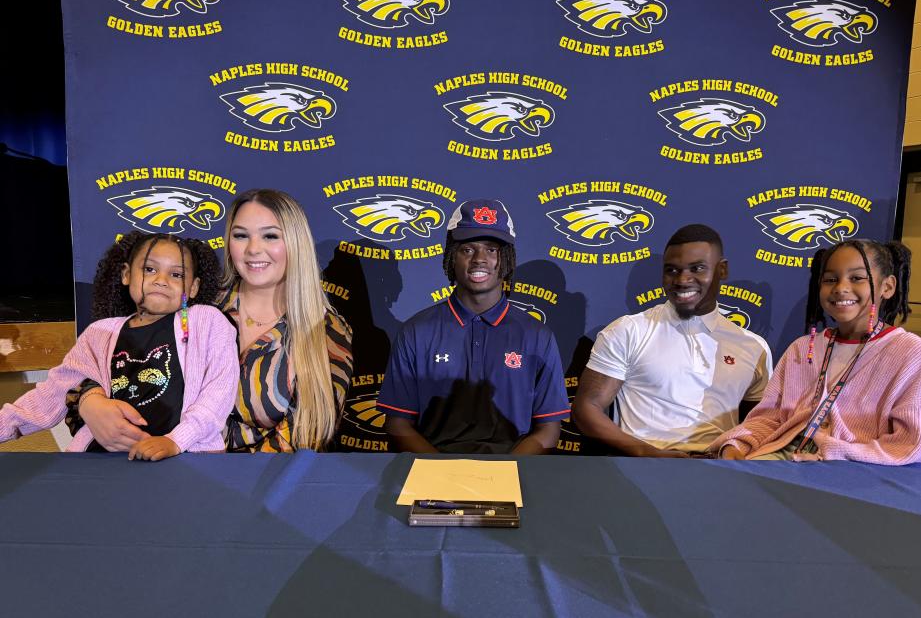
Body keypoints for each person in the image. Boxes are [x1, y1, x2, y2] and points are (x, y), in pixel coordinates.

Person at [74, 189, 353, 452]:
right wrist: (90, 403)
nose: (253, 249)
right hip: (157, 469)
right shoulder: (194, 301)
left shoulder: (326, 332)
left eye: (270, 236)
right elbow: (96, 364)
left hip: (255, 486)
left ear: (295, 243)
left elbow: (306, 438)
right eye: (241, 235)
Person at [1, 232, 238, 460]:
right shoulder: (99, 333)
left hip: (183, 460)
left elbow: (219, 392)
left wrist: (176, 440)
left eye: (176, 275)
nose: (161, 280)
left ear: (194, 287)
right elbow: (52, 394)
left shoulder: (206, 321)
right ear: (126, 274)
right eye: (149, 269)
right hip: (103, 462)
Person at [711, 240, 921, 463]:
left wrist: (833, 454)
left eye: (857, 278)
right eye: (831, 279)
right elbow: (769, 418)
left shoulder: (914, 355)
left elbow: (909, 446)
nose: (841, 288)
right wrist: (737, 444)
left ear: (887, 286)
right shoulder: (803, 348)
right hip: (782, 454)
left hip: (855, 469)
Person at [377, 198, 569, 454]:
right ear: (451, 258)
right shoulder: (416, 332)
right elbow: (398, 426)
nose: (480, 259)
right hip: (432, 475)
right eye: (467, 249)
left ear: (508, 258)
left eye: (492, 249)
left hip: (512, 472)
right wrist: (444, 475)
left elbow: (548, 430)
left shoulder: (537, 335)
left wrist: (502, 473)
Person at [572, 224, 772, 457]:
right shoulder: (629, 330)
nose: (682, 280)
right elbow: (586, 409)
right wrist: (648, 453)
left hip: (720, 473)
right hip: (644, 470)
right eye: (672, 270)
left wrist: (730, 454)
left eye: (697, 268)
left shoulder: (754, 347)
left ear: (722, 270)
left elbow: (760, 424)